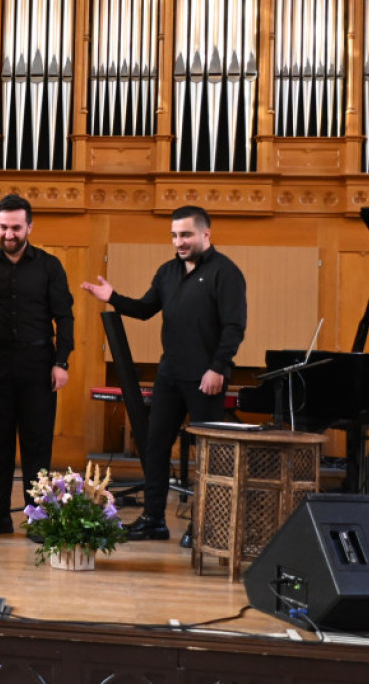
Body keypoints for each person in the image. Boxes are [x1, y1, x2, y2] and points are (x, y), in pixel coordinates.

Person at [81, 205, 246, 541]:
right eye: (174, 235)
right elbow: (144, 310)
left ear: (205, 234)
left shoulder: (225, 272)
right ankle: (154, 519)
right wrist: (113, 297)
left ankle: (203, 527)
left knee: (209, 455)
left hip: (207, 378)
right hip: (170, 374)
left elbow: (234, 326)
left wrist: (218, 368)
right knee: (154, 446)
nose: (179, 241)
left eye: (185, 234)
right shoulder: (167, 272)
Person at [0, 193, 74, 537]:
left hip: (39, 365)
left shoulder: (50, 266)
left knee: (37, 446)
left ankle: (38, 519)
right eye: (3, 227)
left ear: (29, 227)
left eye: (15, 227)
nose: (9, 234)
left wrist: (61, 362)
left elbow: (64, 317)